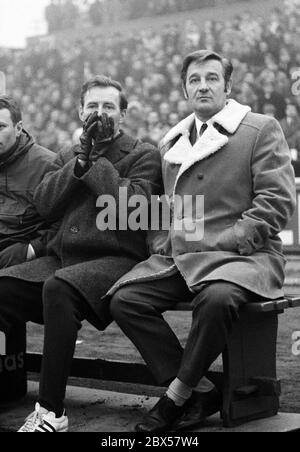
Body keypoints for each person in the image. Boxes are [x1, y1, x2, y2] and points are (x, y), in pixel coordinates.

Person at [109, 50, 296, 432]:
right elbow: (164, 208)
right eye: (194, 80)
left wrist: (231, 240)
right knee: (125, 300)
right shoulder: (172, 142)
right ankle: (205, 388)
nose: (203, 86)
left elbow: (276, 202)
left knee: (216, 299)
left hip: (246, 258)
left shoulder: (260, 128)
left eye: (212, 78)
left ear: (227, 86)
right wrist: (162, 240)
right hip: (187, 255)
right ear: (184, 89)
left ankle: (175, 397)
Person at [0, 76, 161, 432]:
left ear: (123, 114)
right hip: (64, 259)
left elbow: (134, 212)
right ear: (79, 111)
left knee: (59, 288)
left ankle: (51, 412)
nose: (98, 113)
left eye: (107, 107)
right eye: (92, 106)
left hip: (115, 259)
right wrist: (77, 161)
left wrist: (91, 163)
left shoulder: (143, 153)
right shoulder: (67, 153)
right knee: (3, 288)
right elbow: (44, 204)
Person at [0, 95, 56, 269]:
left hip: (22, 256)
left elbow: (67, 225)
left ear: (18, 128)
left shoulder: (48, 165)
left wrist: (31, 249)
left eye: (0, 127)